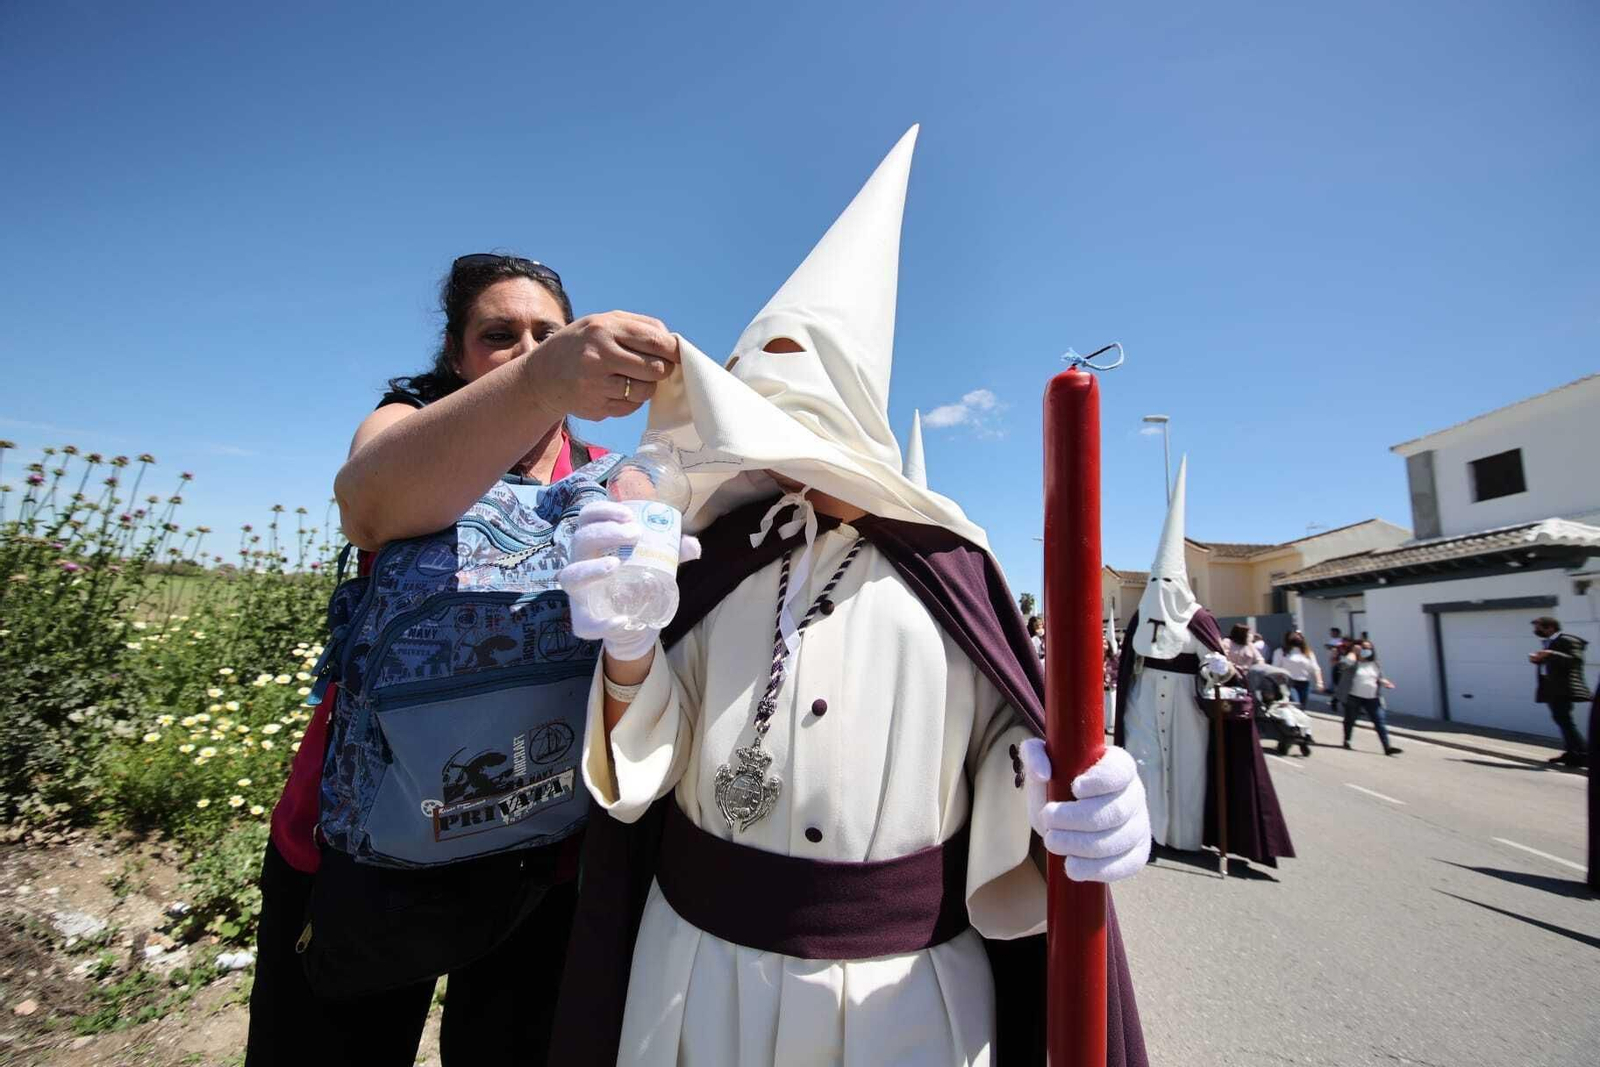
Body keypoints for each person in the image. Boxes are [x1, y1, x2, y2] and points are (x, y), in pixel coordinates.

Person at [551, 126, 1150, 1066]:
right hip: (697, 976)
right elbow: (648, 765)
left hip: (902, 999)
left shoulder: (950, 559)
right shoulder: (718, 554)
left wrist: (1070, 800)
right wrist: (630, 645)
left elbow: (1003, 743)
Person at [246, 254, 680, 1067]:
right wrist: (543, 380)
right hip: (364, 849)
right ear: (455, 354)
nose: (524, 348)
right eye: (498, 335)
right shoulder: (404, 427)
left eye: (545, 334)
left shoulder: (603, 478)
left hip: (536, 856)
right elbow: (370, 507)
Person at [1114, 457, 1295, 868]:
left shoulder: (1198, 619)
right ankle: (1147, 834)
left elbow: (1219, 662)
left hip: (1185, 705)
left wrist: (1216, 667)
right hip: (1143, 698)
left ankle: (1186, 835)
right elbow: (1131, 661)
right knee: (1145, 765)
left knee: (1187, 771)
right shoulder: (1142, 615)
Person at [1530, 616, 1591, 768]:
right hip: (1552, 688)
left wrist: (1550, 654)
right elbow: (1552, 664)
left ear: (1550, 627)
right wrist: (1538, 659)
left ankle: (1583, 754)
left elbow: (1575, 660)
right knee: (1561, 720)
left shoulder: (1568, 640)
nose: (1535, 631)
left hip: (1564, 688)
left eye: (1538, 628)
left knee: (1565, 721)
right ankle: (1572, 752)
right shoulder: (1549, 642)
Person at [1335, 638, 1401, 755]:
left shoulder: (1375, 664)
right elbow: (1342, 666)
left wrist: (1385, 682)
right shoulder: (1353, 662)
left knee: (1379, 721)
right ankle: (1347, 740)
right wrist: (1353, 653)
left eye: (1369, 648)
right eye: (1364, 648)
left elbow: (1379, 677)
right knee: (1350, 720)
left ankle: (1387, 747)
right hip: (1354, 696)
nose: (1367, 650)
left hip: (1372, 697)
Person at [1273, 631, 1325, 706]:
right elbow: (1275, 668)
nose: (1296, 636)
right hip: (1288, 682)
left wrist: (1319, 682)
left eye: (1298, 635)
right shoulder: (1280, 652)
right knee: (1295, 704)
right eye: (1293, 635)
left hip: (1304, 683)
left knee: (1302, 706)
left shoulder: (1308, 653)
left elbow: (1315, 668)